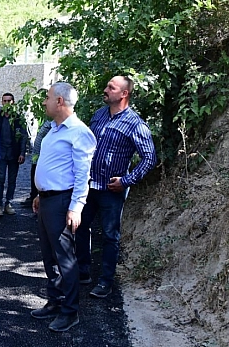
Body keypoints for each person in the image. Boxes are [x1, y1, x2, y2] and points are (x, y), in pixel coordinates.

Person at [76, 75, 157, 298]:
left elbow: (149, 158)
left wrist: (126, 181)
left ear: (124, 94)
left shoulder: (135, 124)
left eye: (111, 87)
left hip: (112, 190)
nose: (105, 89)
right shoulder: (99, 115)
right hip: (90, 185)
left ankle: (106, 281)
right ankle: (83, 272)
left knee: (111, 235)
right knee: (80, 226)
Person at [31, 82, 96, 333]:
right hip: (48, 200)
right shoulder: (54, 130)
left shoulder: (79, 132)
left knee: (65, 259)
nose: (45, 102)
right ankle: (55, 301)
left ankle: (70, 312)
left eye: (48, 98)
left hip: (62, 203)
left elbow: (83, 175)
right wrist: (39, 193)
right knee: (50, 257)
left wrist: (76, 207)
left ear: (59, 101)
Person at [0, 93, 27, 216]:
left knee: (12, 180)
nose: (7, 103)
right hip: (1, 153)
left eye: (9, 101)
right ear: (2, 102)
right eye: (5, 101)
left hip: (13, 153)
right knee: (0, 179)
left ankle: (8, 203)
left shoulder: (18, 118)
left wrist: (22, 152)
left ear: (13, 102)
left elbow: (23, 136)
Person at [24, 118, 53, 205]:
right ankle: (33, 197)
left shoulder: (54, 123)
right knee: (34, 176)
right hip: (36, 156)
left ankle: (37, 199)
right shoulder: (48, 120)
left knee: (38, 177)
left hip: (41, 157)